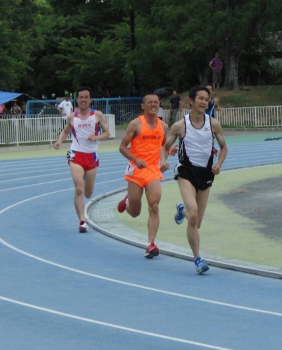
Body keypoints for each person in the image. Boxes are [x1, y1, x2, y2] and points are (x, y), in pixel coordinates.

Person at [162, 86, 228, 275]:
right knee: (193, 216)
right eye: (200, 98)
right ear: (191, 101)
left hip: (206, 174)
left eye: (206, 99)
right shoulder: (180, 125)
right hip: (186, 172)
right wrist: (163, 160)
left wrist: (219, 165)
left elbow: (224, 148)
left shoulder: (214, 124)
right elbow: (164, 146)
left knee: (196, 222)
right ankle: (198, 259)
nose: (204, 102)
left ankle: (181, 210)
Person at [117, 93, 169, 258]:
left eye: (156, 102)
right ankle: (127, 204)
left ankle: (151, 244)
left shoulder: (164, 126)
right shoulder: (136, 124)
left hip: (153, 170)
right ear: (143, 106)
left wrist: (164, 159)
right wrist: (135, 159)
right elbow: (123, 147)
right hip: (136, 170)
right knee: (135, 212)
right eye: (150, 102)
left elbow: (163, 146)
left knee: (154, 206)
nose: (154, 105)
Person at [54, 87, 110, 233]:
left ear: (90, 99)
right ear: (77, 100)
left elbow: (107, 133)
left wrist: (96, 137)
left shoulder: (97, 115)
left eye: (86, 97)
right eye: (81, 97)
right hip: (76, 155)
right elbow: (66, 130)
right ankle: (82, 221)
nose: (83, 100)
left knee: (88, 193)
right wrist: (60, 140)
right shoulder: (72, 117)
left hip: (91, 156)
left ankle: (83, 208)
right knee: (79, 188)